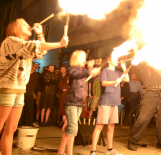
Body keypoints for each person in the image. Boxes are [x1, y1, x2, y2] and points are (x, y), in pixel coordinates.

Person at [0, 18, 68, 155]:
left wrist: (40, 34)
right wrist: (60, 44)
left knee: (11, 129)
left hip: (19, 90)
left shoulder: (24, 46)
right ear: (14, 29)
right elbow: (35, 47)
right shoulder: (10, 41)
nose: (28, 25)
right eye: (23, 24)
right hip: (6, 89)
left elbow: (41, 51)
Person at [57, 50, 99, 155]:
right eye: (81, 57)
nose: (84, 60)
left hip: (80, 103)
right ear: (75, 59)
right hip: (72, 102)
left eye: (84, 57)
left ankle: (60, 152)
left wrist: (93, 72)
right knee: (73, 130)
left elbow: (92, 81)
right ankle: (69, 153)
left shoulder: (84, 70)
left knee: (69, 128)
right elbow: (76, 75)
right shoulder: (72, 69)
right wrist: (89, 71)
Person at [90, 56, 129, 155]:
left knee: (111, 126)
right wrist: (114, 82)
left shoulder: (118, 73)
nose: (117, 60)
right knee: (99, 126)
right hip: (106, 101)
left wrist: (124, 69)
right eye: (115, 58)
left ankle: (109, 149)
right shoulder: (105, 71)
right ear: (109, 61)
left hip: (115, 102)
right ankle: (93, 151)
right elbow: (103, 83)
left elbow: (127, 79)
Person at [128, 62, 161, 152]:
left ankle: (160, 143)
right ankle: (133, 140)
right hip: (150, 92)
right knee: (143, 118)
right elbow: (138, 55)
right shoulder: (144, 65)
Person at [57, 66, 69, 131]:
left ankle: (64, 126)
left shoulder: (70, 80)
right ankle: (65, 125)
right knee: (63, 111)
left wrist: (66, 88)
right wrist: (66, 88)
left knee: (67, 112)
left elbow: (70, 86)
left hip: (68, 96)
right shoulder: (62, 79)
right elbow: (61, 87)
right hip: (63, 96)